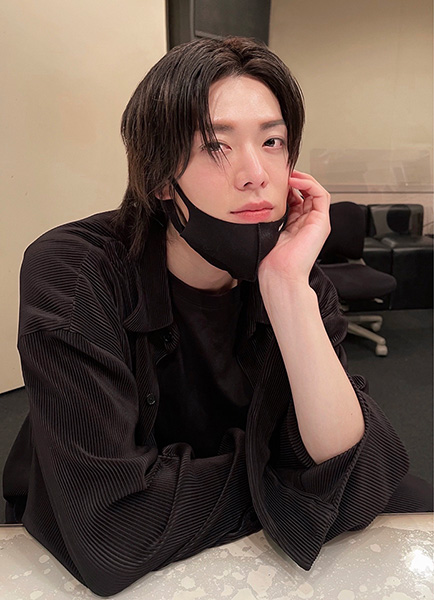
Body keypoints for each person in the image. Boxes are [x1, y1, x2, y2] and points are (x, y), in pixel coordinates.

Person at [3, 37, 431, 597]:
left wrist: (288, 293)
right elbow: (113, 532)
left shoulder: (294, 274)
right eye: (215, 146)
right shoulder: (76, 270)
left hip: (193, 506)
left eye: (273, 141)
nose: (256, 174)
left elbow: (361, 475)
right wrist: (292, 480)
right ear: (160, 177)